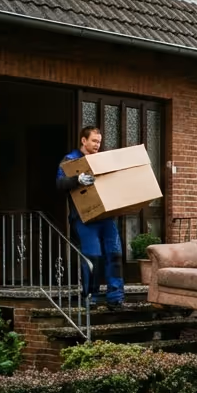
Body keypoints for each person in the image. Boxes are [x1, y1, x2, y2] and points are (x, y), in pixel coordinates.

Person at [56, 126, 124, 310]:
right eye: (94, 141)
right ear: (83, 140)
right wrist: (77, 179)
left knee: (115, 255)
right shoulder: (70, 160)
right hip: (83, 218)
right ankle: (90, 298)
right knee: (93, 257)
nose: (97, 145)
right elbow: (60, 183)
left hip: (106, 216)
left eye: (99, 142)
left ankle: (115, 299)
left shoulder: (102, 160)